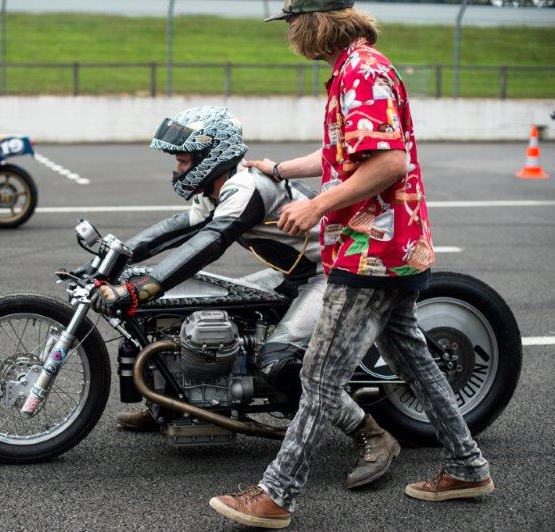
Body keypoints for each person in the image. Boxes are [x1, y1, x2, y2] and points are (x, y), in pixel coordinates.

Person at [208, 3, 492, 528]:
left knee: (317, 375)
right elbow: (346, 153)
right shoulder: (354, 69)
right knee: (413, 359)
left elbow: (388, 162)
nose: (289, 32)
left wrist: (315, 206)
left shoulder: (361, 73)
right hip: (389, 246)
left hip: (372, 250)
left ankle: (277, 495)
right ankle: (468, 467)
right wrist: (277, 167)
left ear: (316, 20)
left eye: (292, 21)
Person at [93, 105, 400, 490]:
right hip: (292, 274)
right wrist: (117, 255)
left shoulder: (245, 187)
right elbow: (174, 230)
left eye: (183, 160)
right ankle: (168, 402)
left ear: (212, 157)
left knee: (277, 359)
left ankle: (370, 433)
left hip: (329, 275)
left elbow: (210, 242)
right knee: (198, 310)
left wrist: (142, 288)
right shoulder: (217, 188)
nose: (177, 169)